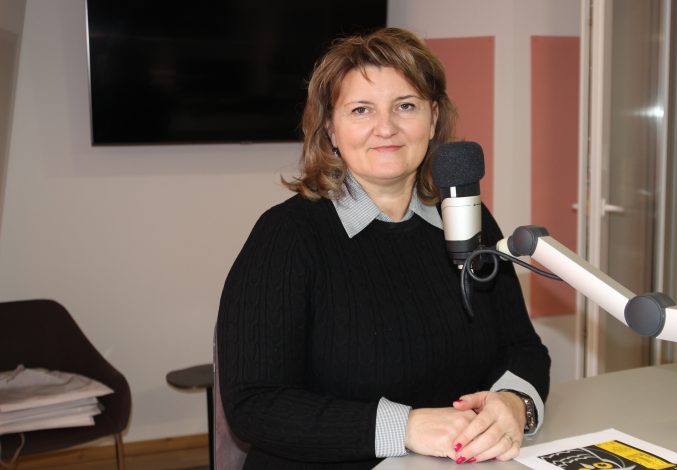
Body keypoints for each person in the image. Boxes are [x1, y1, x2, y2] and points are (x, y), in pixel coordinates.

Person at [217, 27, 551, 469]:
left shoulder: (467, 219)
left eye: (406, 106)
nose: (386, 128)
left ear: (433, 118)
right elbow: (255, 403)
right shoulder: (287, 237)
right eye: (361, 110)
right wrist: (406, 427)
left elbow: (523, 347)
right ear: (330, 129)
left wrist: (513, 402)